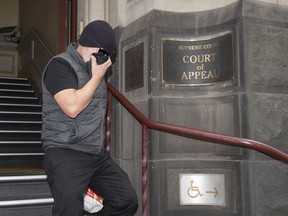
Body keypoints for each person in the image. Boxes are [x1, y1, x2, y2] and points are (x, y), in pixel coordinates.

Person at [41, 20, 138, 216]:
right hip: (65, 151)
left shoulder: (94, 70)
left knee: (126, 200)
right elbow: (72, 107)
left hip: (95, 153)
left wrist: (96, 75)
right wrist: (96, 78)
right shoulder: (60, 66)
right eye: (102, 54)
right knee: (68, 211)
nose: (103, 60)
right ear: (90, 45)